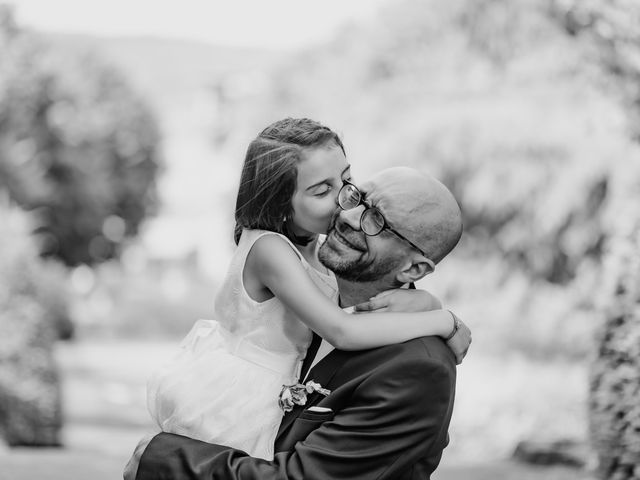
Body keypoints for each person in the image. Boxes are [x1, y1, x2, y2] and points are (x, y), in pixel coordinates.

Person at [124, 118, 469, 478]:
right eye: (358, 197)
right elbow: (342, 329)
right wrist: (445, 319)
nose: (346, 212)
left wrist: (160, 459)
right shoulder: (281, 256)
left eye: (375, 220)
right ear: (282, 203)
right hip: (236, 397)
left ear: (414, 271)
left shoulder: (415, 369)